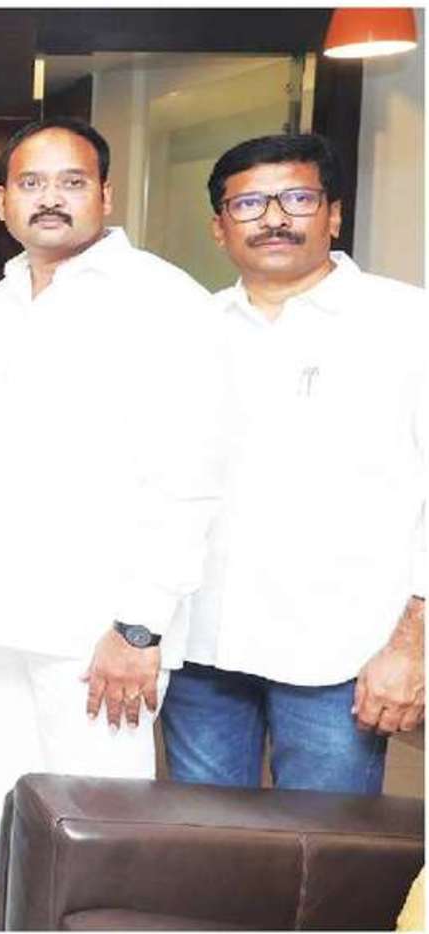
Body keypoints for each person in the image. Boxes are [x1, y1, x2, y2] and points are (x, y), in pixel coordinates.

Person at [0, 117, 230, 882]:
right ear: (3, 202)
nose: (50, 199)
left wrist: (139, 626)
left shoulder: (161, 299)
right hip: (0, 615)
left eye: (71, 182)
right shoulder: (3, 301)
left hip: (97, 630)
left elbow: (191, 477)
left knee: (98, 826)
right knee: (7, 804)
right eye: (31, 184)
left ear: (106, 195)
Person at [164, 132, 426, 794]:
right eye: (248, 203)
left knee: (326, 846)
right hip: (202, 647)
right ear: (220, 227)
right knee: (205, 841)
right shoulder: (194, 328)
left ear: (333, 214)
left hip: (341, 654)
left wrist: (412, 644)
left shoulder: (405, 324)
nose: (274, 218)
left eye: (298, 199)